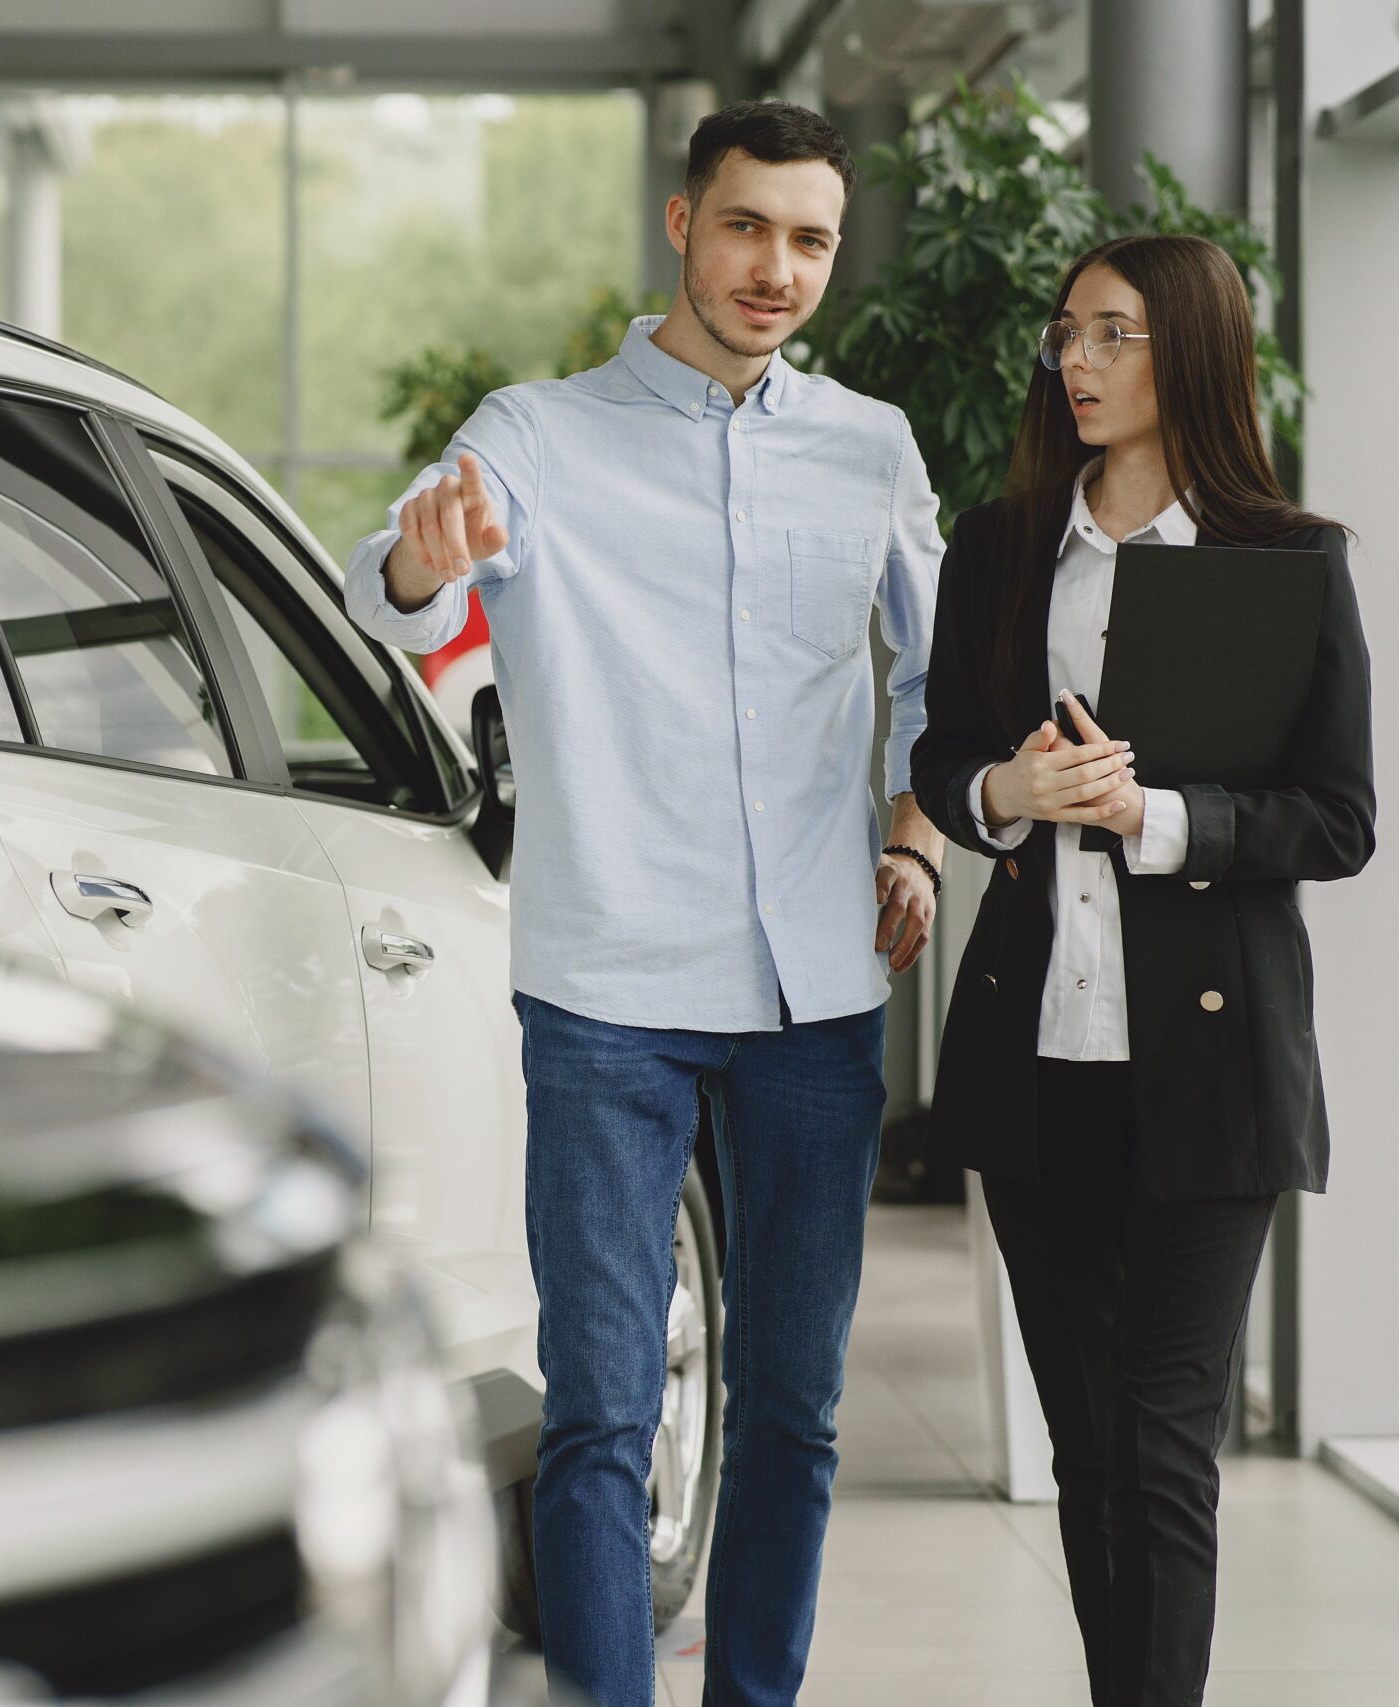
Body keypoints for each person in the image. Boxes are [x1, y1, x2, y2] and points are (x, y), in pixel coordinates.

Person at [344, 100, 945, 1707]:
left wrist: (921, 833)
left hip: (821, 993)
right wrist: (425, 559)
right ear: (682, 226)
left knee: (796, 1408)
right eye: (747, 227)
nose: (777, 268)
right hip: (609, 988)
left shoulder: (868, 447)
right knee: (605, 1407)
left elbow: (941, 686)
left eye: (810, 239)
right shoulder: (533, 434)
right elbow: (380, 591)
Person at [910, 231, 1376, 1707]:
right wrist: (1006, 796)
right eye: (1068, 334)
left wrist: (1157, 818)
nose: (1079, 360)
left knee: (1166, 1449)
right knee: (1090, 1449)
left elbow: (1340, 818)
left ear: (1191, 350)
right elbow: (939, 752)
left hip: (1214, 1071)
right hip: (1036, 1059)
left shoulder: (1289, 560)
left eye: (1114, 333)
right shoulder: (999, 547)